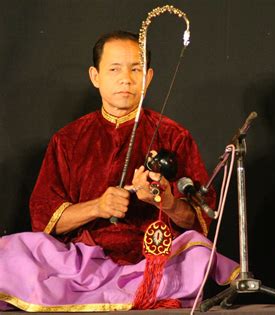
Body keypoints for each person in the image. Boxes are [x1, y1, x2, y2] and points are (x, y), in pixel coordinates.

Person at [0, 30, 238, 311]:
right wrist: (98, 207)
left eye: (135, 69)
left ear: (148, 77)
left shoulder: (175, 136)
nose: (126, 78)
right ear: (95, 76)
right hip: (81, 264)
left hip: (151, 265)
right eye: (114, 69)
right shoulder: (68, 139)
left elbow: (200, 221)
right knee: (12, 250)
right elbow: (44, 219)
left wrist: (168, 202)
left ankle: (128, 295)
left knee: (197, 251)